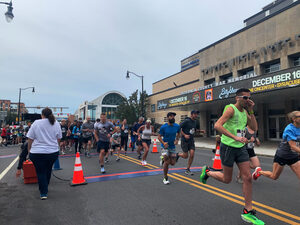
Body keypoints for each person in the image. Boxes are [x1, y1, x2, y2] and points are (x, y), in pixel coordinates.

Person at [200, 88, 264, 224]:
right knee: (226, 179)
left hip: (241, 148)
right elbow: (217, 125)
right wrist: (235, 137)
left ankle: (248, 211)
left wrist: (252, 110)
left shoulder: (246, 112)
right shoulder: (230, 109)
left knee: (247, 177)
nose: (247, 100)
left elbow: (254, 127)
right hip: (228, 147)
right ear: (237, 98)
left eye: (249, 98)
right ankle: (207, 171)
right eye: (245, 98)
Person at [26, 108, 62, 200]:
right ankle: (45, 186)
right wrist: (56, 147)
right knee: (48, 169)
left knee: (40, 171)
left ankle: (43, 192)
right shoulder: (56, 123)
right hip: (52, 152)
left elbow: (30, 138)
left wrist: (29, 149)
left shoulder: (36, 123)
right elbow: (59, 138)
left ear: (42, 115)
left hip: (37, 152)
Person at [256, 111, 300, 181]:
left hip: (293, 156)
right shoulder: (289, 129)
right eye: (299, 116)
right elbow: (293, 146)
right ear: (294, 119)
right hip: (282, 155)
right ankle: (259, 172)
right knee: (274, 176)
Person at [158, 112, 180, 184]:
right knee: (167, 161)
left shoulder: (177, 126)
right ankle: (165, 178)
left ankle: (163, 159)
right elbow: (159, 137)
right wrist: (163, 143)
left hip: (172, 147)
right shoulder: (163, 127)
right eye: (171, 116)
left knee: (173, 163)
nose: (172, 117)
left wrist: (177, 140)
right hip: (165, 147)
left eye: (173, 116)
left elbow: (179, 133)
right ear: (167, 118)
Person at [177, 110, 200, 175]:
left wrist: (200, 131)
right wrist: (184, 135)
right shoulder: (187, 121)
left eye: (197, 114)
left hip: (191, 140)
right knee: (185, 156)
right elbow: (179, 128)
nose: (196, 115)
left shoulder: (195, 122)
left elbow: (193, 130)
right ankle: (178, 154)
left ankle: (188, 169)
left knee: (192, 154)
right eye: (195, 114)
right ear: (191, 114)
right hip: (184, 140)